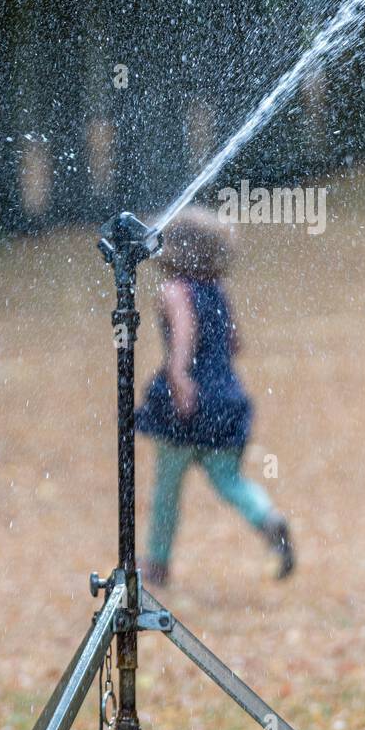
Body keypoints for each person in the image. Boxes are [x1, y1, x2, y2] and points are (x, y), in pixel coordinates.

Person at [135, 206, 293, 585]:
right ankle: (267, 518)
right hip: (226, 398)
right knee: (228, 479)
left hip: (189, 403)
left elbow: (185, 339)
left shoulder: (174, 291)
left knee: (167, 490)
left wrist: (178, 375)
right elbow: (233, 342)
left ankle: (156, 563)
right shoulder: (216, 290)